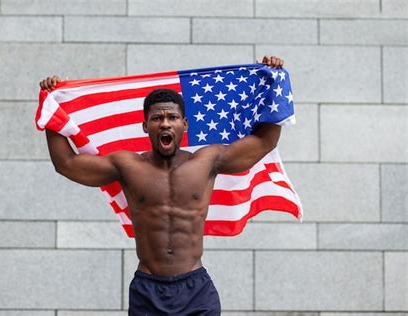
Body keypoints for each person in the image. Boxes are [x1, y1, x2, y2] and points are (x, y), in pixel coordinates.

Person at [40, 55, 285, 315]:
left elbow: (264, 142)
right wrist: (51, 109)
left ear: (184, 125)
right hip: (148, 289)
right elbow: (66, 164)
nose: (165, 123)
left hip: (196, 290)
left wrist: (273, 82)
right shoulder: (128, 166)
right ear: (146, 126)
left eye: (172, 118)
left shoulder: (207, 162)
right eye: (157, 118)